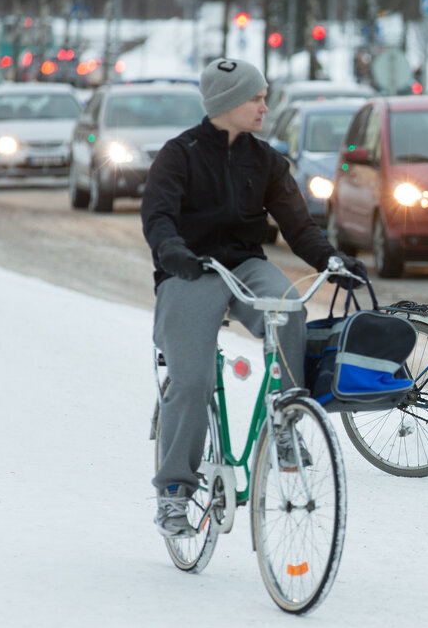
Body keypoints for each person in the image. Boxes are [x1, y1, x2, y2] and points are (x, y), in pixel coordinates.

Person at [141, 57, 365, 537]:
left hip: (245, 264)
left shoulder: (266, 160)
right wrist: (172, 250)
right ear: (227, 104)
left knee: (289, 310)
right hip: (192, 268)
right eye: (256, 99)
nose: (266, 106)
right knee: (193, 378)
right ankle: (175, 492)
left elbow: (298, 225)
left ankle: (284, 423)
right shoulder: (178, 154)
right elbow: (158, 216)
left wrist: (331, 260)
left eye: (265, 96)